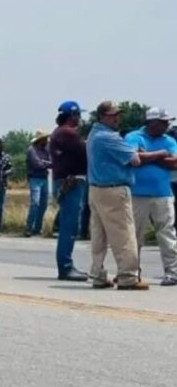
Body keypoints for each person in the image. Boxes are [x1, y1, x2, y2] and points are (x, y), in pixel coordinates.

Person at [88, 100, 166, 290]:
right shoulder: (109, 137)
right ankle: (128, 276)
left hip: (96, 189)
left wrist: (134, 151)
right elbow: (135, 159)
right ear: (102, 116)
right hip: (114, 190)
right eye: (113, 115)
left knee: (99, 235)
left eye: (118, 114)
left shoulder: (94, 134)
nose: (117, 118)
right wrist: (158, 154)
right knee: (123, 234)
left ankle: (98, 274)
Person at [125, 108, 177, 286]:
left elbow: (175, 163)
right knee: (134, 235)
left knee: (167, 233)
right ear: (152, 122)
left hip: (163, 193)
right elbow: (133, 159)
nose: (166, 125)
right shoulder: (133, 137)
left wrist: (148, 156)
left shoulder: (169, 140)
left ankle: (172, 272)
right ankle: (132, 272)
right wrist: (161, 154)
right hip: (137, 194)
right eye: (163, 122)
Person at [49, 101, 90, 281]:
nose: (80, 119)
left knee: (69, 225)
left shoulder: (60, 133)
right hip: (71, 182)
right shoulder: (68, 133)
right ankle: (65, 267)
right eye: (78, 115)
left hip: (67, 181)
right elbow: (86, 153)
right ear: (72, 115)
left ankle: (66, 265)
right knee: (69, 226)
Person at [25, 130, 53, 237]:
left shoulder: (46, 150)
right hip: (34, 179)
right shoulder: (31, 150)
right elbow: (37, 164)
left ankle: (37, 228)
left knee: (43, 204)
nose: (47, 140)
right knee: (35, 203)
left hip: (44, 178)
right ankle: (28, 227)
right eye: (45, 138)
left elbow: (52, 163)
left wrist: (45, 163)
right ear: (40, 140)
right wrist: (46, 163)